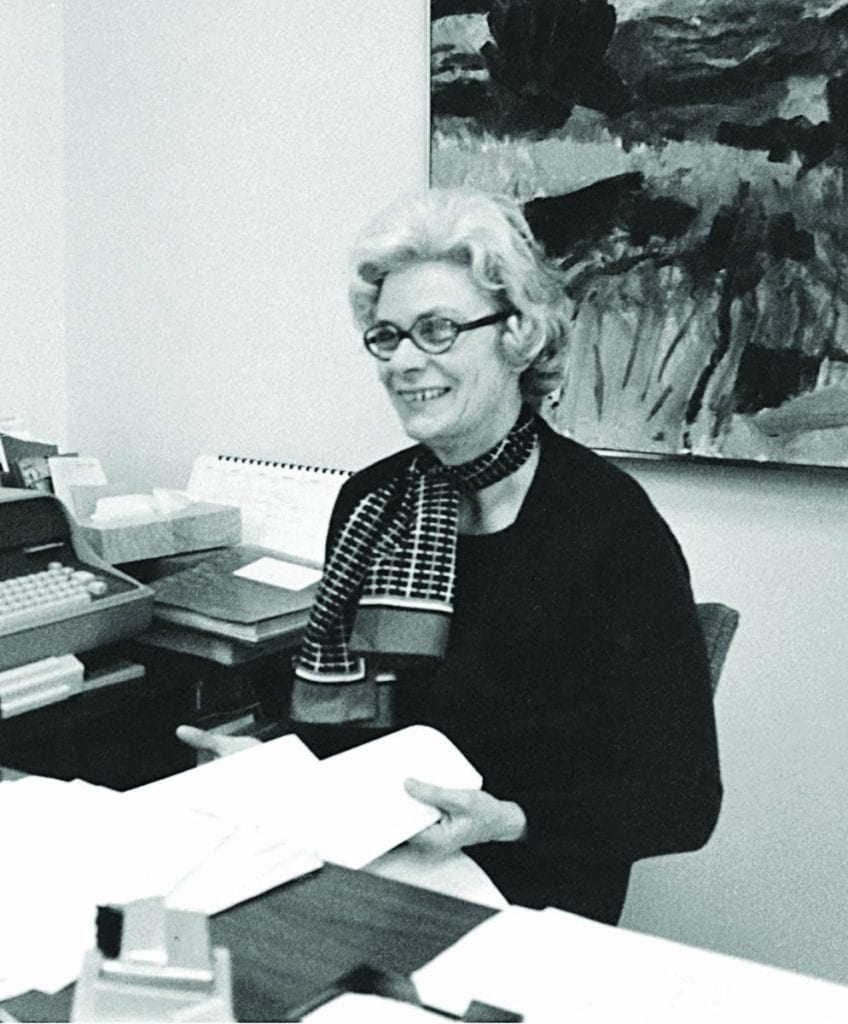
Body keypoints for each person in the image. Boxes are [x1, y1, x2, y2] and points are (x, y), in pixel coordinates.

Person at [179, 188, 722, 925]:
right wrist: (270, 770)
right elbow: (337, 736)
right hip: (369, 871)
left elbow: (681, 799)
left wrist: (503, 817)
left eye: (436, 330)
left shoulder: (608, 526)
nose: (404, 361)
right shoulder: (371, 503)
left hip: (525, 899)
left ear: (519, 335)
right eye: (387, 335)